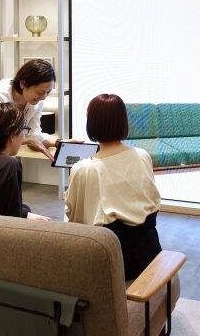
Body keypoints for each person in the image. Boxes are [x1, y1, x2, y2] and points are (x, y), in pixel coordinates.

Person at [65, 94, 162, 280]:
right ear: (123, 121)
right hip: (149, 254)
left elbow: (75, 220)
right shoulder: (142, 156)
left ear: (91, 123)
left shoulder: (84, 169)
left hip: (113, 266)